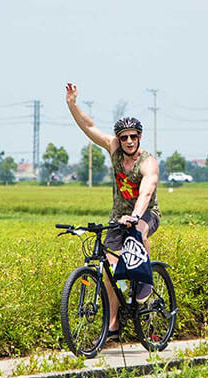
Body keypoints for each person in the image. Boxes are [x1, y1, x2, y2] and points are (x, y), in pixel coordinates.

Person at [65, 82, 161, 342]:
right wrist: (72, 105)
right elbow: (89, 127)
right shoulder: (114, 149)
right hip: (117, 216)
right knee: (109, 268)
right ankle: (114, 325)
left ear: (139, 137)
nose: (128, 141)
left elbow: (146, 192)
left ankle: (144, 279)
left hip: (146, 213)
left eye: (133, 136)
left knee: (139, 231)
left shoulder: (148, 161)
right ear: (119, 139)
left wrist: (137, 215)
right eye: (124, 137)